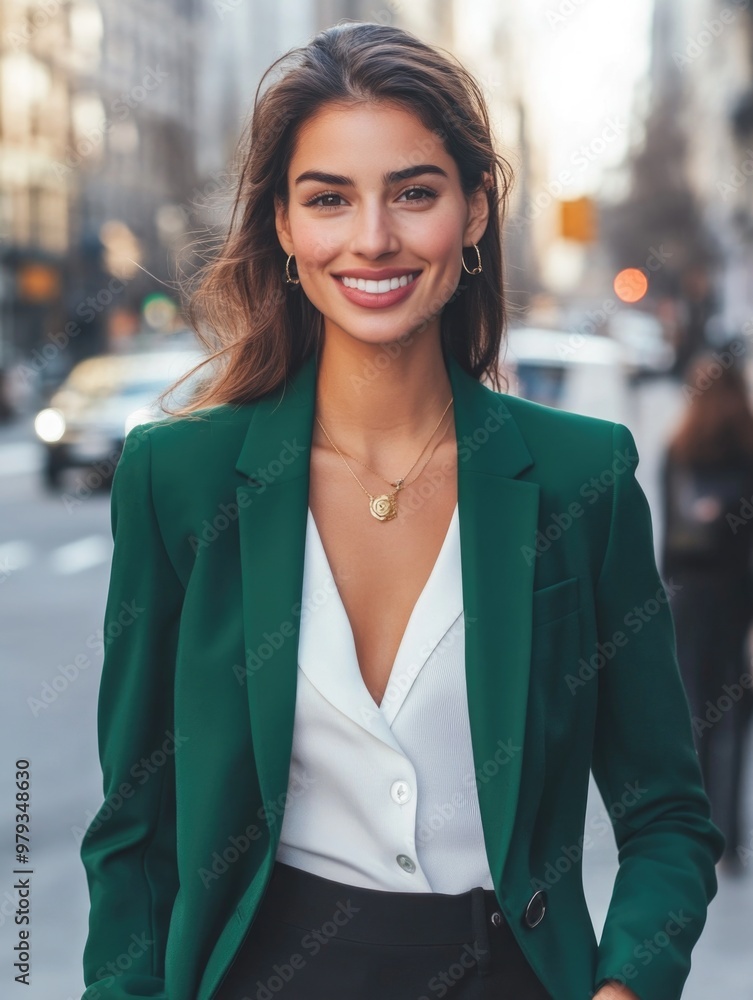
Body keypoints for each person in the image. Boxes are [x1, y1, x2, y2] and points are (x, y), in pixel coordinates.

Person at [79, 21, 725, 1000]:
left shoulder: (581, 476)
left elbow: (667, 813)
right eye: (328, 198)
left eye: (414, 193)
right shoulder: (178, 476)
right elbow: (133, 829)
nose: (372, 237)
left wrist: (625, 986)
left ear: (474, 211)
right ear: (283, 226)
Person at [659, 347, 753, 875]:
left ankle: (691, 834)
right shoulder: (748, 449)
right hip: (737, 595)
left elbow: (669, 540)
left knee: (691, 715)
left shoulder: (679, 447)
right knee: (733, 719)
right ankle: (731, 843)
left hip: (688, 595)